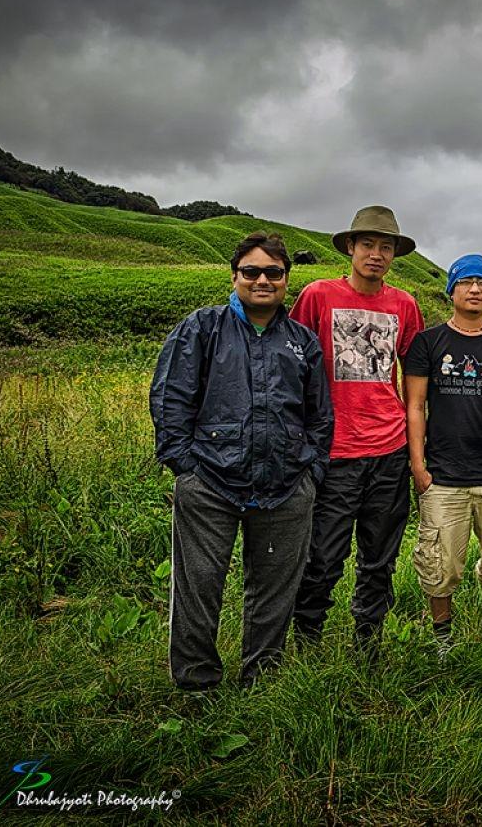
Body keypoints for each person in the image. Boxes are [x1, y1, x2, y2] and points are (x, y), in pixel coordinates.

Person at [150, 232, 332, 689]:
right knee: (199, 585)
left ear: (287, 279)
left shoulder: (301, 341)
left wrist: (311, 470)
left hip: (286, 486)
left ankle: (262, 679)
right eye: (251, 271)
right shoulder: (202, 328)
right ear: (234, 277)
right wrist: (184, 467)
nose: (263, 280)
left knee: (274, 591)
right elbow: (171, 397)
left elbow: (320, 413)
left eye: (274, 272)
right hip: (209, 481)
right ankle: (196, 684)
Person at [290, 205, 425, 648]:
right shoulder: (318, 295)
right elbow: (292, 362)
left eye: (386, 247)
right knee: (323, 554)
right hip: (334, 451)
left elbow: (414, 374)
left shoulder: (403, 304)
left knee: (379, 556)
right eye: (368, 244)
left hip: (389, 450)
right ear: (351, 247)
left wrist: (417, 443)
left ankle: (369, 638)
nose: (376, 254)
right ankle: (307, 637)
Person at [403, 254, 482, 653]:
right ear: (451, 289)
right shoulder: (429, 342)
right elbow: (415, 406)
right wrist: (418, 465)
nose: (475, 290)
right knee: (440, 562)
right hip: (443, 475)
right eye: (466, 281)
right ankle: (443, 635)